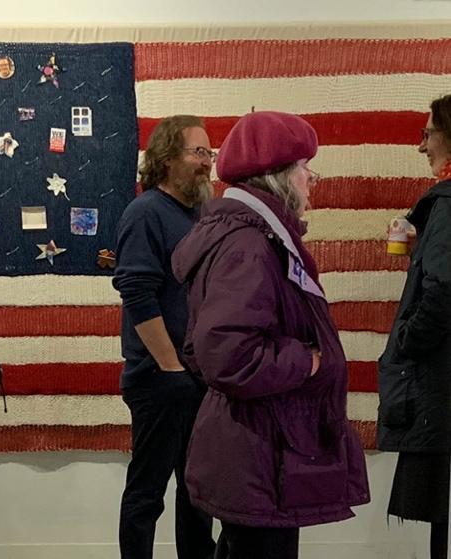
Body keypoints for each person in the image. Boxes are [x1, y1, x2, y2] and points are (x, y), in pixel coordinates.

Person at [171, 111, 370, 559]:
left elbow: (200, 347)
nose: (310, 179)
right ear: (278, 176)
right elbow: (225, 355)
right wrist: (308, 360)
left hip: (259, 448)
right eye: (303, 167)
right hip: (260, 453)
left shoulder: (251, 238)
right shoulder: (250, 245)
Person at [113, 115, 216, 559]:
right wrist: (170, 367)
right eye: (198, 153)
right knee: (147, 493)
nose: (207, 163)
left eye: (210, 154)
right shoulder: (145, 213)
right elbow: (137, 292)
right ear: (167, 158)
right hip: (159, 380)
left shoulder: (205, 213)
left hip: (198, 378)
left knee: (199, 492)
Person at [377, 94, 451, 559]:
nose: (421, 145)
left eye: (428, 133)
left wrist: (408, 339)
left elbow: (443, 289)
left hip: (439, 384)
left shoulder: (447, 205)